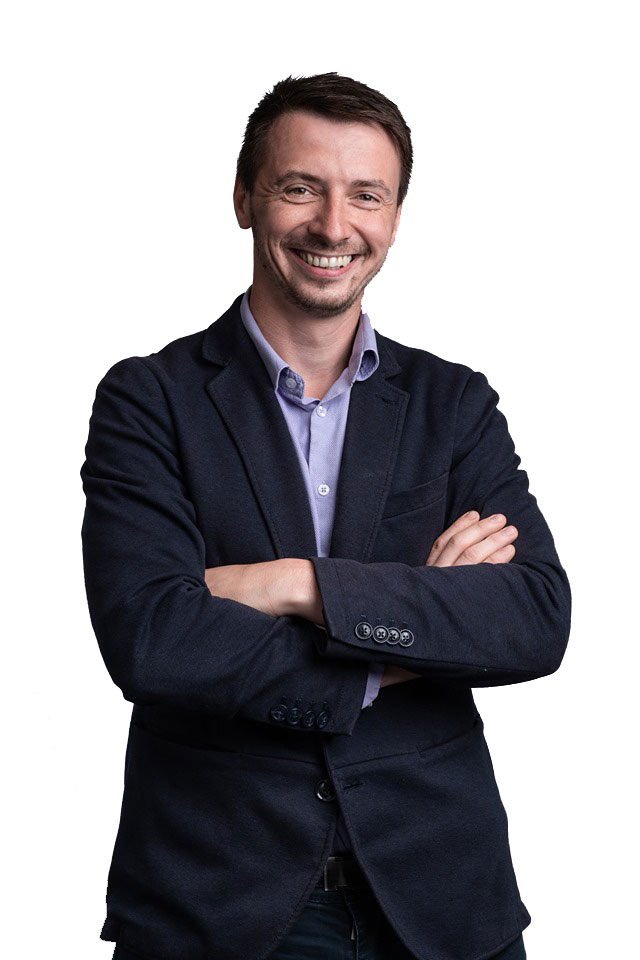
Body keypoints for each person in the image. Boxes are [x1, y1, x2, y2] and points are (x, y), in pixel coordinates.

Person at [80, 73, 571, 960]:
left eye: (366, 196)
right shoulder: (148, 400)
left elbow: (533, 620)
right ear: (244, 198)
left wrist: (292, 587)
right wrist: (413, 627)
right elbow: (152, 639)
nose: (334, 226)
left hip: (444, 899)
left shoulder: (454, 404)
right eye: (301, 187)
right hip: (219, 904)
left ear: (395, 217)